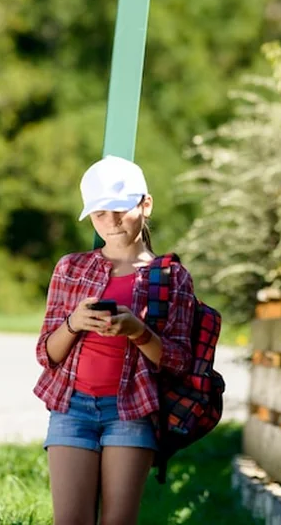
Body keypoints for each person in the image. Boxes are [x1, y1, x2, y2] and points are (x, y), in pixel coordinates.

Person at [34, 155, 195, 525]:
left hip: (131, 411)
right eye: (100, 213)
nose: (112, 222)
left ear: (145, 205)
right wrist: (73, 323)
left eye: (121, 210)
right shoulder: (70, 268)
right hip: (71, 408)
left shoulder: (171, 277)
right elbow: (46, 354)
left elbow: (179, 362)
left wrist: (138, 331)